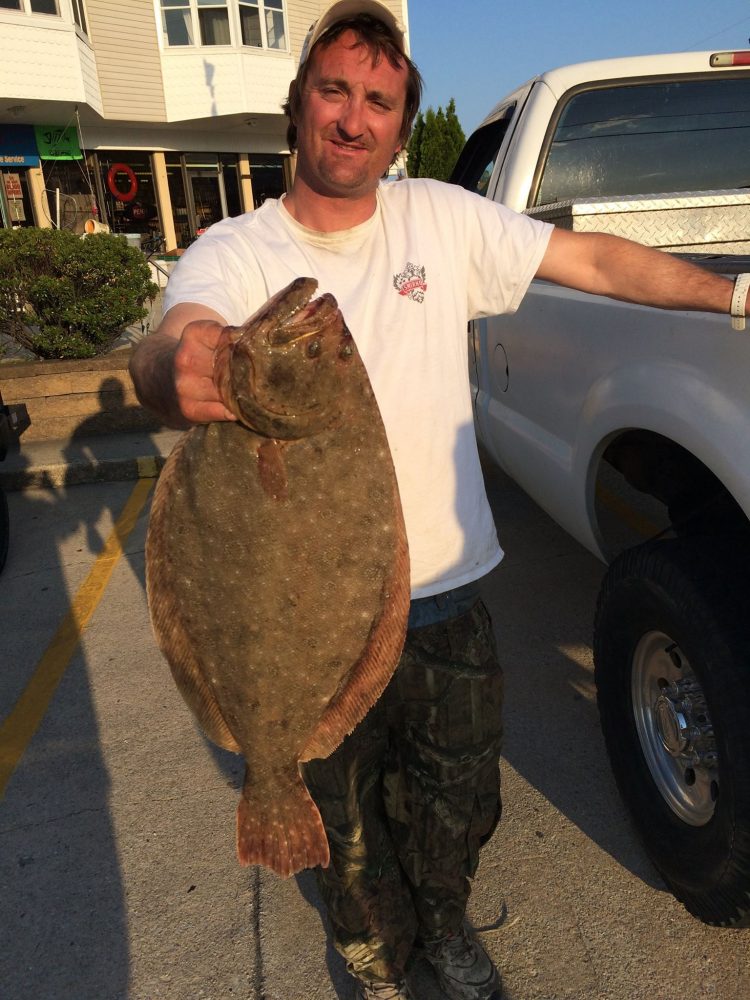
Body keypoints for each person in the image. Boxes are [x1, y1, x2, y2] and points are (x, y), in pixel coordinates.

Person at [129, 4, 750, 998]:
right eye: (335, 91)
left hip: (444, 590)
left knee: (458, 796)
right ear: (297, 107)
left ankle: (447, 924)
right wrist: (176, 364)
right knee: (341, 816)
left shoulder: (438, 219)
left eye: (378, 101)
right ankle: (372, 948)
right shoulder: (235, 251)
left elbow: (591, 261)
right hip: (304, 619)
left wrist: (733, 298)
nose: (353, 117)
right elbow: (175, 337)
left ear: (398, 126)